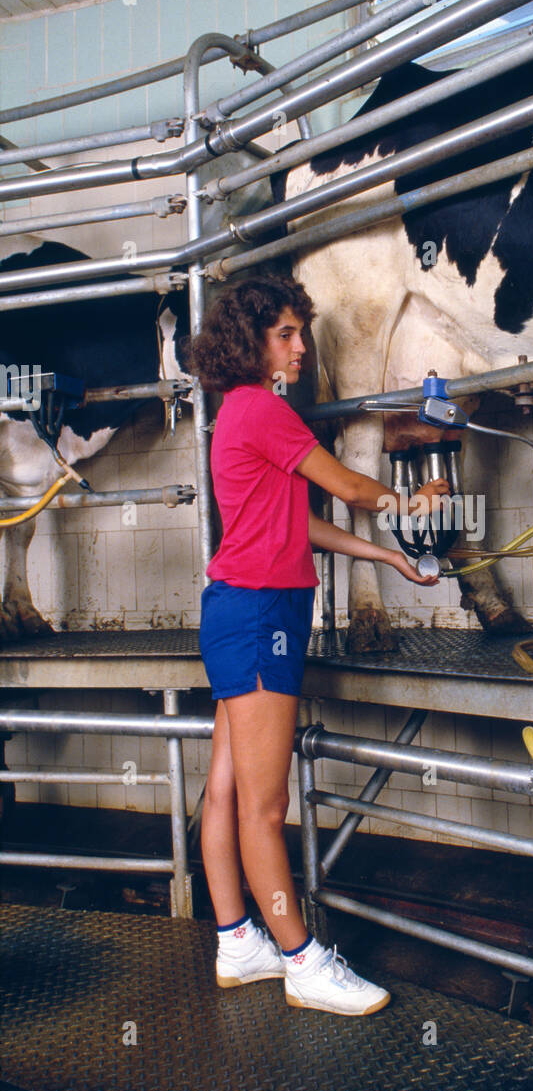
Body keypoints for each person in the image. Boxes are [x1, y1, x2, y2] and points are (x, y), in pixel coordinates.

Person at [189, 274, 449, 1016]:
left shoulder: (238, 416)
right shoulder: (264, 412)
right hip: (264, 616)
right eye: (287, 335)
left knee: (229, 791)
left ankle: (238, 942)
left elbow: (297, 525)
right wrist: (405, 504)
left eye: (301, 331)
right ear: (252, 344)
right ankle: (303, 960)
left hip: (238, 611)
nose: (302, 348)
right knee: (264, 808)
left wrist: (387, 557)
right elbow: (351, 488)